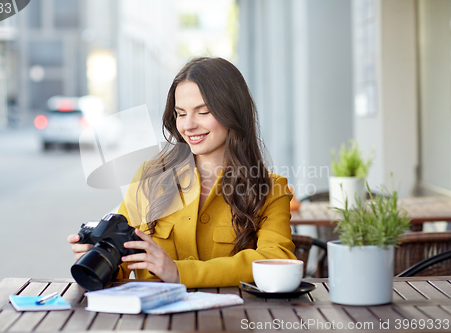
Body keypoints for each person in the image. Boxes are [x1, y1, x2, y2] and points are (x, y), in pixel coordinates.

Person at [68, 57, 295, 288]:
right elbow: (123, 266)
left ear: (233, 113)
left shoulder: (270, 189)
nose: (188, 125)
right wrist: (98, 260)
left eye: (203, 112)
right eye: (181, 113)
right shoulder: (148, 178)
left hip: (233, 321)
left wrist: (178, 271)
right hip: (157, 321)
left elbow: (277, 259)